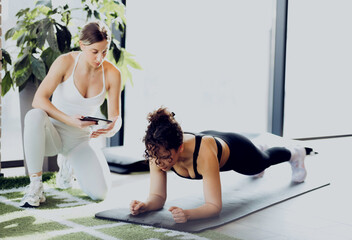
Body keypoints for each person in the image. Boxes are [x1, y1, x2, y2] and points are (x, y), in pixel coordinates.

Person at [129, 107, 312, 223]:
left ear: (180, 147)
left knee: (260, 164)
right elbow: (158, 196)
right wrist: (145, 204)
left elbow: (214, 206)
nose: (160, 163)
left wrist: (189, 214)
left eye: (167, 157)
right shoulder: (157, 150)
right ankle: (260, 145)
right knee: (258, 164)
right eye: (156, 157)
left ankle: (295, 152)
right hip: (212, 142)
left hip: (237, 149)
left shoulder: (203, 154)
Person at [20, 21, 122, 207]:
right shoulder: (65, 62)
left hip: (81, 140)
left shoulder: (113, 73)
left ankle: (67, 164)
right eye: (94, 52)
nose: (100, 58)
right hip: (53, 135)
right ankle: (35, 187)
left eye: (104, 51)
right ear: (82, 45)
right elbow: (39, 100)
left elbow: (116, 116)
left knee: (101, 194)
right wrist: (69, 120)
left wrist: (111, 127)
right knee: (34, 115)